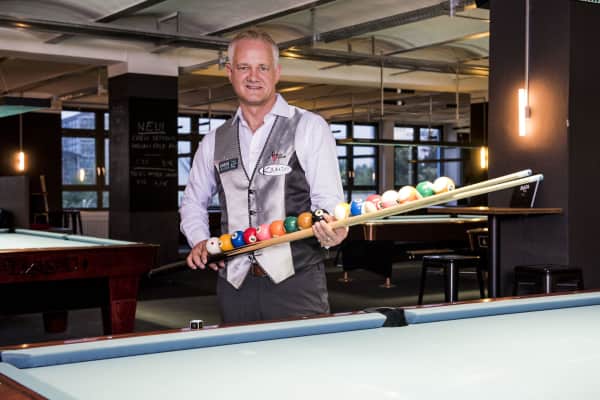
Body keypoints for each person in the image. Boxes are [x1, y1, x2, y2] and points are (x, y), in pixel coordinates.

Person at [180, 30, 347, 324]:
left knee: (305, 354)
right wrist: (201, 241)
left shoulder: (309, 127)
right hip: (234, 285)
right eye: (244, 67)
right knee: (238, 354)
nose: (253, 76)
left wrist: (333, 227)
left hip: (296, 282)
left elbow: (328, 200)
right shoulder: (213, 141)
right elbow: (193, 201)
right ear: (230, 72)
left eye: (263, 67)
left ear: (277, 72)